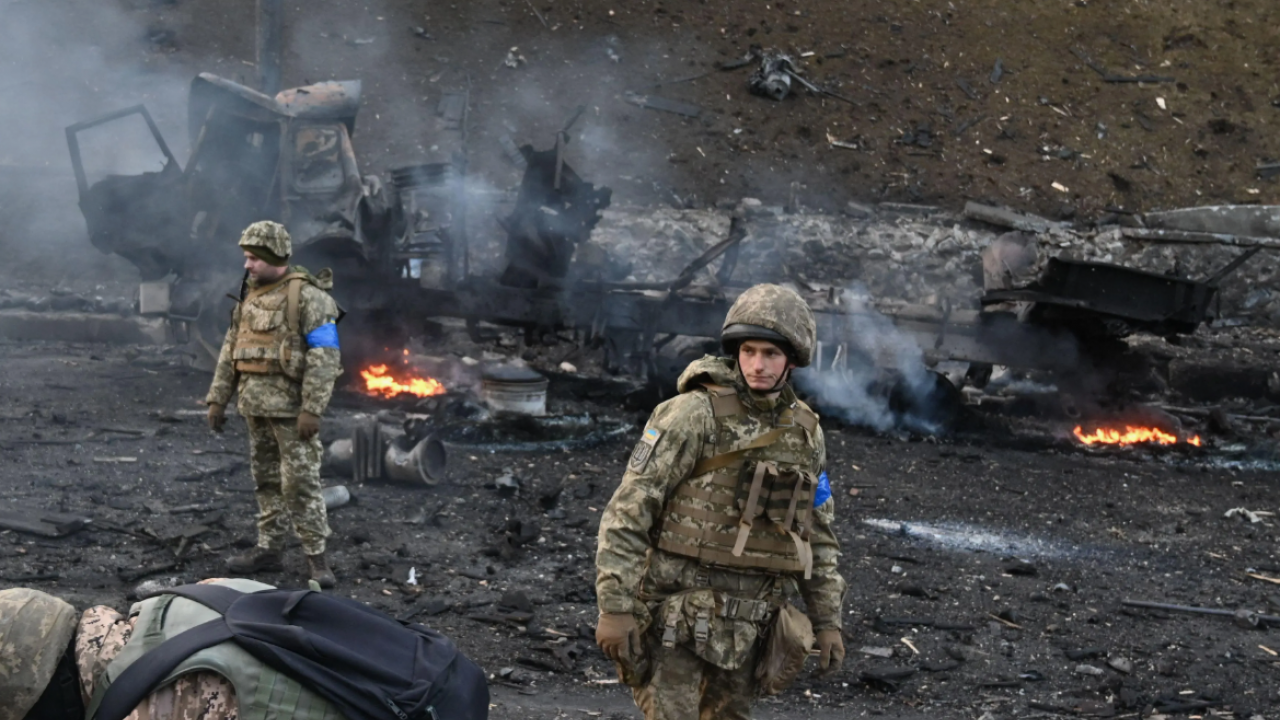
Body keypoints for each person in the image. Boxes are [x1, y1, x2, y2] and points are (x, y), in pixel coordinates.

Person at [595, 283, 848, 720]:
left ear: (792, 359)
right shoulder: (691, 414)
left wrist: (827, 620)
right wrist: (614, 607)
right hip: (673, 618)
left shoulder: (806, 434)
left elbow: (818, 532)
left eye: (770, 354)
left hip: (749, 629)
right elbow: (629, 512)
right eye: (748, 351)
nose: (757, 364)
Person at [205, 220, 343, 587]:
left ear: (274, 256)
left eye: (253, 258)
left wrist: (312, 408)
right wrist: (218, 399)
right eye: (246, 258)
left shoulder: (311, 298)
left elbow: (325, 356)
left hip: (291, 412)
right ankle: (269, 549)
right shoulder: (250, 294)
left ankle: (317, 559)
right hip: (255, 407)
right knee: (265, 481)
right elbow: (231, 350)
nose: (247, 264)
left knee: (300, 484)